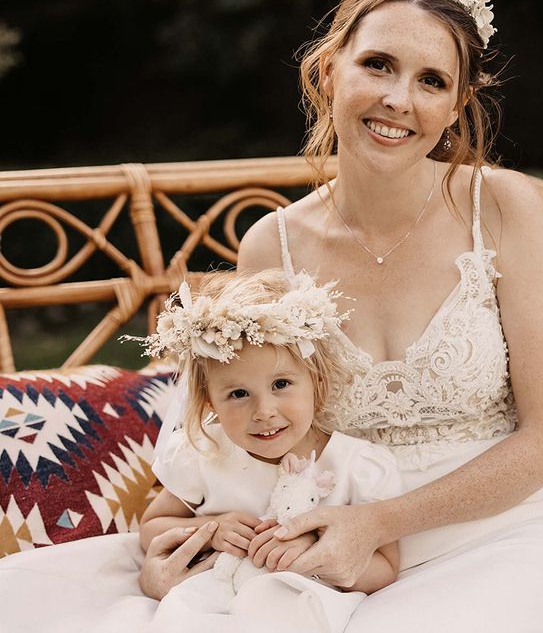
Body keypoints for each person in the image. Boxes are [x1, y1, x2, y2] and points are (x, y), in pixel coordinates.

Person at [225, 0, 543, 631]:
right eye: (378, 64)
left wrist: (376, 521)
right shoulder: (270, 248)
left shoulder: (502, 207)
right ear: (329, 70)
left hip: (518, 529)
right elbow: (260, 428)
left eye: (431, 80)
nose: (399, 99)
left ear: (456, 104)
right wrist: (181, 525)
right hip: (343, 552)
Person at [137, 268, 402, 632]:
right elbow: (151, 526)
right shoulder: (206, 453)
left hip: (306, 611)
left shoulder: (357, 466)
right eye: (238, 394)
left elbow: (385, 569)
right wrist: (208, 528)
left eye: (281, 384)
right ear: (209, 401)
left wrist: (318, 551)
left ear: (317, 383)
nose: (263, 412)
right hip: (216, 604)